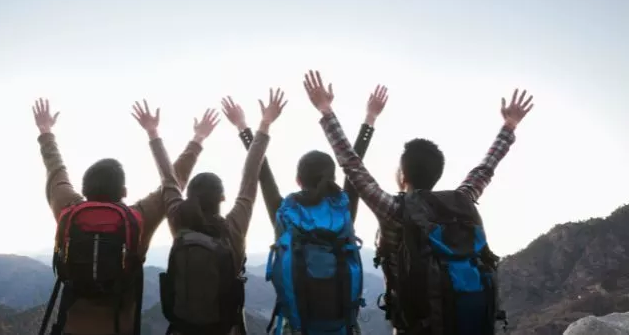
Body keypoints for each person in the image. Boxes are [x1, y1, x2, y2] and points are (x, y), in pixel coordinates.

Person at [303, 70, 534, 335]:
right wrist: (509, 125)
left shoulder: (395, 211)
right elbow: (486, 168)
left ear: (402, 176)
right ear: (437, 174)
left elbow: (351, 165)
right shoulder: (462, 201)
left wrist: (325, 110)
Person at [33, 98, 218, 335]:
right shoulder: (137, 219)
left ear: (84, 189)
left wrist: (45, 131)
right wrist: (196, 139)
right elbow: (174, 181)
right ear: (123, 192)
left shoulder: (68, 211)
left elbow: (56, 169)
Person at [138, 88, 287, 335]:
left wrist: (154, 133)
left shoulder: (179, 220)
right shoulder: (234, 228)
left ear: (189, 196)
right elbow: (251, 174)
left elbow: (168, 177)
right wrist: (261, 124)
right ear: (222, 197)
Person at [219, 85, 387, 226]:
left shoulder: (283, 212)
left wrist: (249, 125)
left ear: (298, 180)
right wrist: (371, 117)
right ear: (333, 179)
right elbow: (354, 163)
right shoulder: (344, 209)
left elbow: (260, 168)